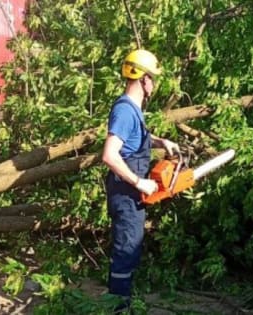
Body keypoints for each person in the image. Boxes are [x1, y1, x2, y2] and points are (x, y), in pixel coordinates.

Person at [102, 49, 180, 309]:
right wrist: (139, 182)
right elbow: (110, 155)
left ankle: (119, 301)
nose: (154, 84)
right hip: (126, 193)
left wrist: (161, 142)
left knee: (129, 249)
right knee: (126, 251)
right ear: (144, 80)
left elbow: (135, 139)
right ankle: (118, 307)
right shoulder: (125, 111)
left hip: (128, 193)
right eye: (153, 79)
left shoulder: (133, 110)